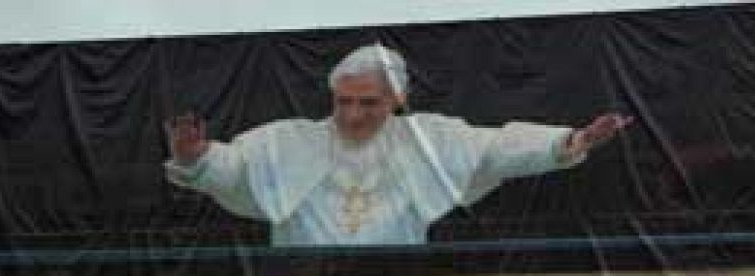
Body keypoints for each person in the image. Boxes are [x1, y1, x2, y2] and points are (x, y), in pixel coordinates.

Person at [165, 43, 632, 246]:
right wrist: (197, 158)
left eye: (367, 103)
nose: (352, 114)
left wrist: (572, 141)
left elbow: (499, 150)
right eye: (343, 101)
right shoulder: (287, 141)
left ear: (397, 98)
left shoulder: (430, 139)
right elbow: (239, 169)